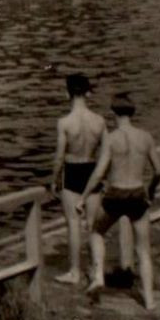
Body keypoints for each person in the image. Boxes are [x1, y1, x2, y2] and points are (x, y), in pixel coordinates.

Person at [81, 94, 160, 310]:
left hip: (115, 195)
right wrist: (151, 191)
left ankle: (98, 276)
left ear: (114, 113)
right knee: (143, 251)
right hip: (137, 194)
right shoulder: (146, 137)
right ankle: (150, 300)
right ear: (132, 112)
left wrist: (83, 197)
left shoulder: (111, 139)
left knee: (97, 231)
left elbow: (99, 172)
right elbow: (159, 171)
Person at [51, 73, 106, 285]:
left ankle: (74, 272)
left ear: (68, 94)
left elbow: (59, 157)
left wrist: (54, 179)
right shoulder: (99, 121)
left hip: (73, 171)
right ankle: (96, 271)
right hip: (92, 170)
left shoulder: (64, 123)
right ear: (88, 92)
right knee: (93, 226)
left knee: (73, 224)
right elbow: (106, 155)